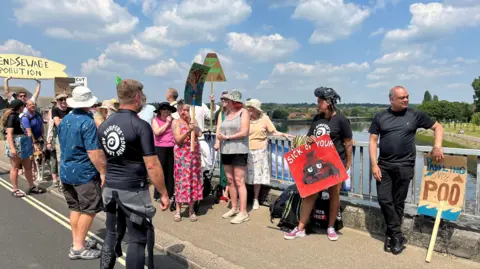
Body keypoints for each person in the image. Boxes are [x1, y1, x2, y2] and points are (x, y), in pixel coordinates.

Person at [99, 79, 169, 269]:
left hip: (110, 188)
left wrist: (105, 174)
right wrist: (163, 193)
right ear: (137, 98)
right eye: (144, 97)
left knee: (112, 234)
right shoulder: (140, 126)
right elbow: (152, 165)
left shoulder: (105, 124)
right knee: (137, 239)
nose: (145, 100)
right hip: (133, 190)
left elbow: (99, 156)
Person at [368, 86, 444, 255]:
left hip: (405, 165)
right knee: (384, 199)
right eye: (402, 97)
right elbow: (373, 141)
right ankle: (397, 236)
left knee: (398, 202)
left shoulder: (414, 114)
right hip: (384, 166)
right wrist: (374, 164)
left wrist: (437, 146)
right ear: (391, 99)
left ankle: (391, 235)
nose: (406, 100)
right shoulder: (380, 116)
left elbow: (438, 127)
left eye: (407, 97)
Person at [284, 87, 353, 241]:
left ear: (328, 102)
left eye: (319, 101)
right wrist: (309, 140)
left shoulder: (341, 120)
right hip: (317, 162)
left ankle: (331, 227)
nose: (317, 104)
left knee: (334, 194)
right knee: (310, 193)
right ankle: (300, 227)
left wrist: (348, 163)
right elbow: (309, 137)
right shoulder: (317, 119)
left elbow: (348, 143)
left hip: (335, 162)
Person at [57, 86, 106, 260]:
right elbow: (93, 152)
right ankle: (78, 247)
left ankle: (78, 241)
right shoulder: (88, 122)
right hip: (83, 173)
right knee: (90, 209)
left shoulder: (64, 120)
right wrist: (102, 171)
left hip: (65, 170)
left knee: (75, 207)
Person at [245, 98, 293, 210]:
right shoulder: (245, 118)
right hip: (246, 150)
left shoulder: (264, 119)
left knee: (257, 177)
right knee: (245, 176)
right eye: (248, 108)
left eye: (250, 108)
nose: (248, 110)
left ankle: (256, 199)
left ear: (256, 109)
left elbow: (273, 131)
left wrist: (284, 135)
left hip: (260, 151)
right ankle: (245, 198)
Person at [214, 90, 250, 224]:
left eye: (227, 100)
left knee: (239, 181)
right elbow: (220, 130)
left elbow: (244, 132)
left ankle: (243, 212)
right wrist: (219, 139)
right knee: (230, 180)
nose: (224, 102)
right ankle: (234, 207)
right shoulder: (225, 114)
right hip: (226, 150)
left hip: (239, 150)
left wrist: (227, 137)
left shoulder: (243, 113)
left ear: (234, 101)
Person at [3, 99, 43, 197]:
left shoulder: (18, 116)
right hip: (16, 144)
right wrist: (12, 148)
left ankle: (31, 187)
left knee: (28, 167)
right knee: (15, 168)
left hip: (24, 144)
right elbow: (9, 134)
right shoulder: (12, 117)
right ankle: (15, 190)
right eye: (23, 106)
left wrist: (32, 143)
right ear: (20, 107)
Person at [172, 103, 203, 222]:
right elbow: (178, 140)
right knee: (181, 181)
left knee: (193, 181)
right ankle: (178, 210)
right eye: (184, 110)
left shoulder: (192, 120)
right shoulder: (176, 122)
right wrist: (188, 131)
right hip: (182, 156)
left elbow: (199, 134)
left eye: (187, 110)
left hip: (194, 155)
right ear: (179, 111)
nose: (186, 112)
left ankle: (191, 210)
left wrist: (192, 124)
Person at [152, 102, 176, 202]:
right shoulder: (155, 120)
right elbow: (157, 132)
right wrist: (167, 123)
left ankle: (169, 194)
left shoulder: (173, 120)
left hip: (171, 147)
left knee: (170, 172)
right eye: (164, 109)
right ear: (160, 111)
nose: (166, 111)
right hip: (160, 147)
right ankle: (158, 194)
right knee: (160, 171)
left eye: (168, 109)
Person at [50, 93, 73, 184]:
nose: (63, 101)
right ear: (57, 101)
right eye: (61, 99)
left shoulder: (71, 110)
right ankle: (62, 182)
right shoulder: (55, 110)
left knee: (71, 158)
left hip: (71, 138)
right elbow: (57, 123)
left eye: (65, 99)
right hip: (61, 138)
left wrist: (62, 120)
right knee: (60, 159)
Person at [21, 100, 45, 181]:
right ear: (26, 107)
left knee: (38, 156)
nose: (32, 106)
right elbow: (29, 132)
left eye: (33, 104)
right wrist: (34, 143)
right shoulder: (25, 117)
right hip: (29, 140)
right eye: (30, 105)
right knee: (31, 158)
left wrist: (42, 136)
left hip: (39, 139)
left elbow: (41, 126)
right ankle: (31, 173)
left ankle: (36, 172)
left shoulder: (38, 114)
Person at [46, 98, 59, 186]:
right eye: (54, 103)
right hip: (55, 138)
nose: (55, 104)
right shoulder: (52, 112)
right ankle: (54, 180)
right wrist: (49, 140)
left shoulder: (62, 111)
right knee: (54, 159)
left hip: (62, 138)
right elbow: (50, 127)